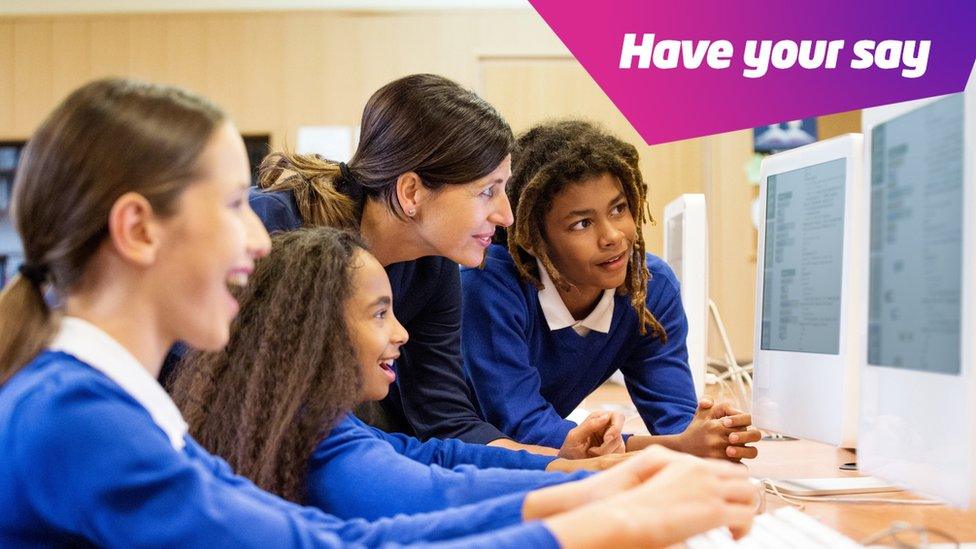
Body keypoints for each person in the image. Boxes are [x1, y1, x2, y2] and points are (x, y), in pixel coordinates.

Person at [0, 78, 755, 547]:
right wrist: (603, 515)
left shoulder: (97, 403)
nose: (258, 235)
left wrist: (595, 489)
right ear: (137, 229)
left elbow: (352, 513)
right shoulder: (78, 418)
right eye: (233, 204)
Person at [241, 74, 621, 457]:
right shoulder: (268, 232)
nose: (506, 215)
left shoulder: (432, 266)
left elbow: (446, 419)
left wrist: (561, 460)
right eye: (488, 191)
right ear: (411, 192)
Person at [171, 227, 634, 522]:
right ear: (315, 330)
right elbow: (438, 494)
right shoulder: (312, 437)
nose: (402, 333)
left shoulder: (308, 418)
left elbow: (431, 455)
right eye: (379, 315)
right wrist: (596, 485)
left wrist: (565, 466)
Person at [460, 120, 761, 459]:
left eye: (619, 209)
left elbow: (675, 420)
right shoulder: (489, 283)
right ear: (531, 236)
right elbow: (524, 425)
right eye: (582, 223)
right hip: (450, 456)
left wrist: (708, 438)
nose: (613, 236)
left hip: (536, 463)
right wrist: (671, 446)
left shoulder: (648, 287)